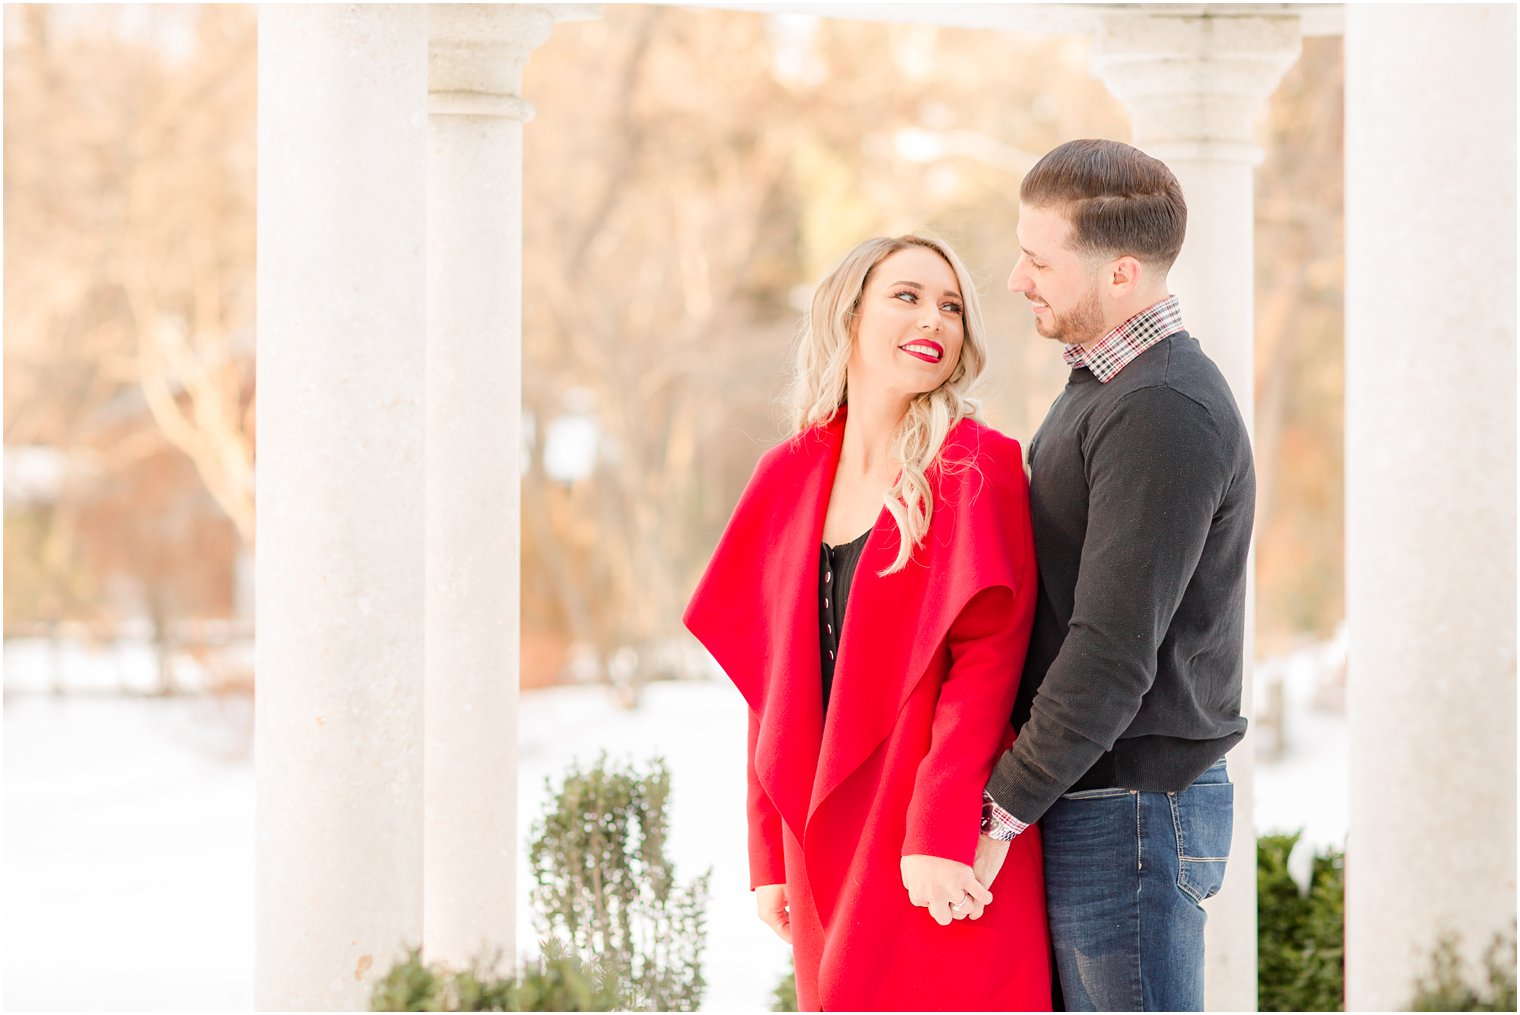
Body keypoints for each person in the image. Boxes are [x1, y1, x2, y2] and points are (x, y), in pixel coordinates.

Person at [684, 234, 1051, 1011]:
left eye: (952, 306)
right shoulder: (785, 473)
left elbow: (989, 664)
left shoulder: (975, 463)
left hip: (936, 846)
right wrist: (767, 853)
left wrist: (939, 831)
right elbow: (766, 684)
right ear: (849, 317)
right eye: (908, 296)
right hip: (821, 840)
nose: (936, 319)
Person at [970, 139, 1256, 1012]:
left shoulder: (1161, 407)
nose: (1018, 279)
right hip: (1100, 796)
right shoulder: (1107, 386)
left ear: (1122, 274)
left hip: (1130, 810)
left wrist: (998, 811)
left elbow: (1111, 648)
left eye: (1038, 259)